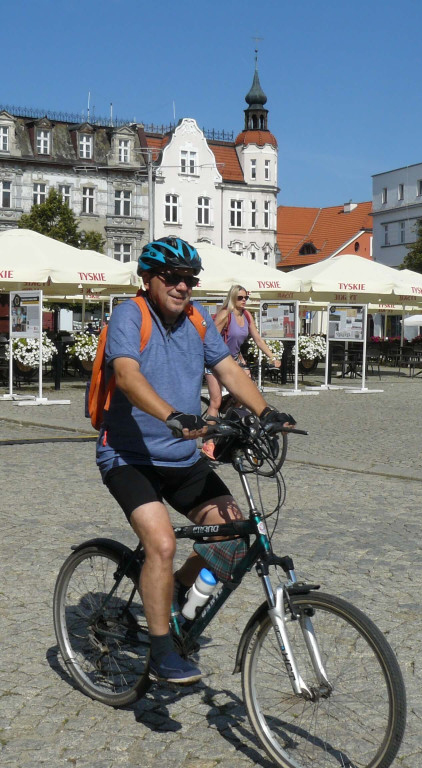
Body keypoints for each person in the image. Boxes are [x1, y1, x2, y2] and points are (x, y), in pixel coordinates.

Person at [97, 237, 294, 684]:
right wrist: (172, 415)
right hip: (129, 457)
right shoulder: (131, 315)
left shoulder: (198, 317)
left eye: (190, 279)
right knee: (162, 544)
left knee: (232, 534)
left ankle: (174, 591)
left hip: (181, 457)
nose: (183, 286)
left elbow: (227, 369)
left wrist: (266, 413)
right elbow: (126, 376)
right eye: (172, 277)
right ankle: (161, 651)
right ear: (148, 279)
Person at [202, 284, 281, 459]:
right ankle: (209, 442)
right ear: (232, 298)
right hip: (215, 360)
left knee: (247, 393)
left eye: (246, 297)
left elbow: (258, 339)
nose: (244, 300)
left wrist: (272, 357)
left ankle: (233, 428)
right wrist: (220, 359)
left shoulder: (246, 315)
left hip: (235, 360)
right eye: (240, 298)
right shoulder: (225, 314)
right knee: (215, 401)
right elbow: (210, 339)